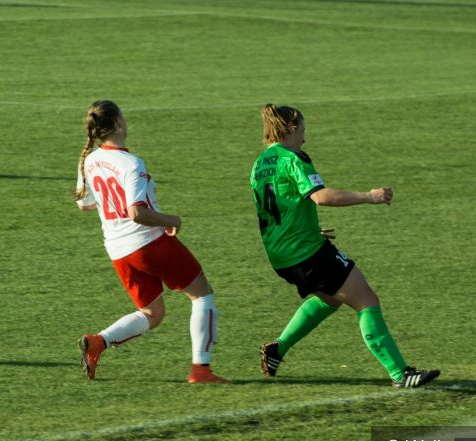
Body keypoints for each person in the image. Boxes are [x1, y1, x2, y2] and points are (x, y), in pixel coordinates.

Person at [250, 103, 440, 388]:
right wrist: (369, 196)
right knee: (366, 301)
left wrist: (308, 230)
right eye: (302, 130)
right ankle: (401, 374)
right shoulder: (293, 158)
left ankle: (278, 349)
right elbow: (320, 196)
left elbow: (278, 207)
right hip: (306, 251)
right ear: (291, 128)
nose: (304, 138)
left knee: (330, 299)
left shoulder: (260, 164)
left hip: (281, 255)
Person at [75, 100, 227, 384]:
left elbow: (85, 204)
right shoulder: (131, 163)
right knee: (202, 295)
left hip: (118, 251)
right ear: (118, 123)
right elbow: (137, 213)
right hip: (149, 245)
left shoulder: (89, 160)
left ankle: (99, 342)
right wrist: (171, 219)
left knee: (152, 314)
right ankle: (201, 369)